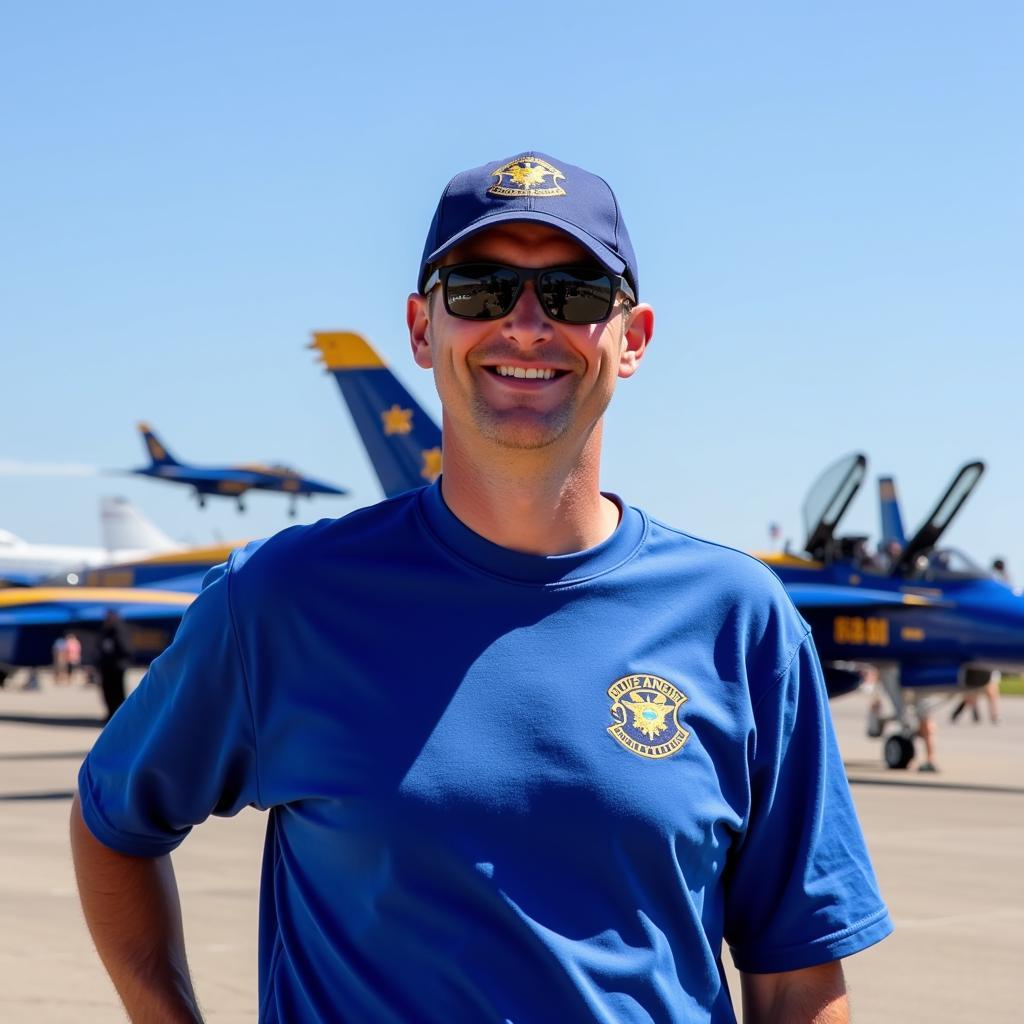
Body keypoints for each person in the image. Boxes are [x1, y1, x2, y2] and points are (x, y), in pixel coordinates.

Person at [71, 152, 891, 1023]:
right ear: (423, 330)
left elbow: (799, 977)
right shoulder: (282, 599)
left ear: (633, 338)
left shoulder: (741, 621)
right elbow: (113, 822)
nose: (528, 325)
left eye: (573, 293)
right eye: (480, 290)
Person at [94, 610, 129, 722]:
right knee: (107, 691)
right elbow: (99, 647)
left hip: (117, 668)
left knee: (118, 691)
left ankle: (120, 715)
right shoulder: (104, 632)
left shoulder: (120, 631)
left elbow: (126, 648)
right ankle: (110, 713)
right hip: (106, 667)